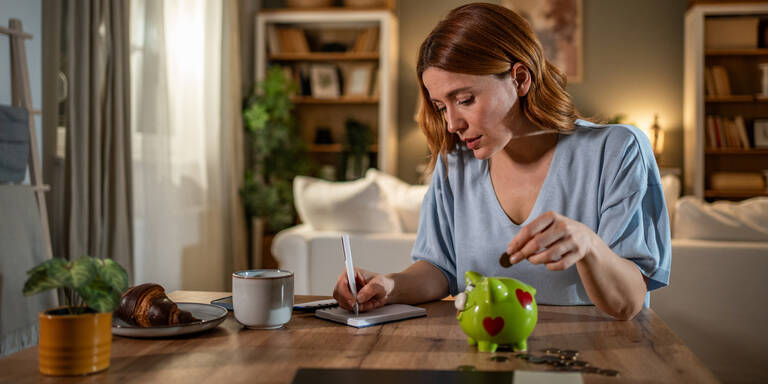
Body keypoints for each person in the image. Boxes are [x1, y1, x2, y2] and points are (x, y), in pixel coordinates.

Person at [333, 3, 670, 320]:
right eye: (441, 107)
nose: (452, 124)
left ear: (520, 79)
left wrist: (588, 245)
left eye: (465, 99)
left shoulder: (617, 150)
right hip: (484, 345)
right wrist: (389, 286)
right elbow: (440, 269)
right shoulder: (454, 164)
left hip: (594, 352)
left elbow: (627, 303)